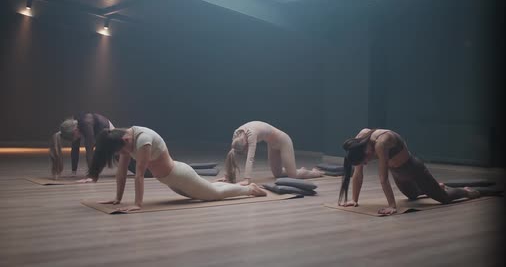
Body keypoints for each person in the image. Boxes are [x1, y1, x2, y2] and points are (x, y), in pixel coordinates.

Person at [89, 126, 267, 212]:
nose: (122, 154)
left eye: (121, 151)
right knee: (207, 192)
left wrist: (137, 204)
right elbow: (121, 172)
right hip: (171, 180)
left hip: (180, 176)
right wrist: (117, 199)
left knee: (214, 195)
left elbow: (139, 175)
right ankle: (229, 184)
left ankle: (249, 189)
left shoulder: (142, 140)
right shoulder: (125, 139)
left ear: (125, 141)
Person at [338, 128, 481, 215]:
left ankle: (466, 191)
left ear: (365, 151)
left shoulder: (381, 143)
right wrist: (354, 200)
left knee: (444, 199)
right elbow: (358, 174)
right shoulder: (359, 142)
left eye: (365, 160)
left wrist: (392, 207)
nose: (366, 163)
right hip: (397, 173)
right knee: (412, 195)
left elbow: (383, 178)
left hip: (413, 169)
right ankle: (436, 187)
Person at [49, 113, 148, 181]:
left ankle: (147, 172)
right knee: (118, 155)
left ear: (75, 131)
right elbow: (74, 149)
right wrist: (73, 172)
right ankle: (145, 168)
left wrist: (90, 175)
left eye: (74, 137)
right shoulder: (74, 125)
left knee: (120, 154)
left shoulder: (86, 125)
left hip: (107, 129)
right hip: (98, 133)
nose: (76, 139)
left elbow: (90, 150)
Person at [222, 121, 322, 185]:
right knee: (277, 174)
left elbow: (250, 158)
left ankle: (314, 172)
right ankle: (297, 170)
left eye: (245, 150)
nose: (246, 152)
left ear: (246, 145)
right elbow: (231, 154)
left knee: (293, 176)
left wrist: (246, 179)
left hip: (283, 141)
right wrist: (227, 175)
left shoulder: (251, 135)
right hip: (272, 144)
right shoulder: (236, 134)